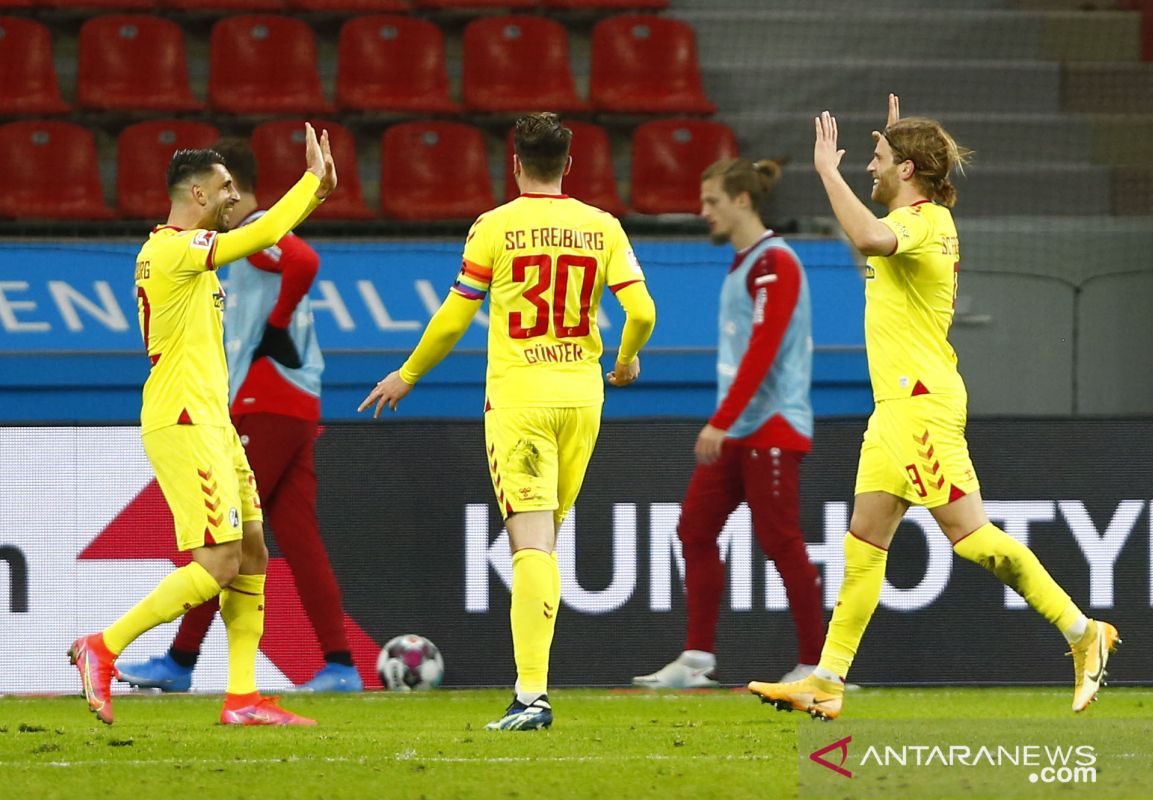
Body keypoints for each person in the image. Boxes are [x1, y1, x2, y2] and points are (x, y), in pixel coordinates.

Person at [748, 95, 1119, 720]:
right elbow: (869, 240)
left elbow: (867, 234)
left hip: (918, 403)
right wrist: (895, 138)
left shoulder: (920, 223)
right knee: (865, 541)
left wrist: (826, 171)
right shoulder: (921, 222)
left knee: (970, 536)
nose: (869, 166)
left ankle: (1083, 632)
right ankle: (827, 680)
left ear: (909, 171)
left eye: (879, 157)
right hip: (896, 406)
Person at [359, 112, 656, 731]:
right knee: (544, 546)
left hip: (520, 400)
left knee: (531, 547)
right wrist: (625, 360)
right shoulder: (601, 226)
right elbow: (643, 311)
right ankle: (533, 692)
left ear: (515, 163)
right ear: (568, 165)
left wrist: (408, 374)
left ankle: (530, 697)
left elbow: (453, 316)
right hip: (582, 400)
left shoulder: (494, 227)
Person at [68, 123, 337, 726]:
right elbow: (267, 231)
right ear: (196, 195)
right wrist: (311, 183)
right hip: (183, 421)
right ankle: (103, 648)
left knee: (252, 552)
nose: (234, 201)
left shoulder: (191, 259)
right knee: (216, 563)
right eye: (225, 191)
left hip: (212, 421)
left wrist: (315, 196)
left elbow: (270, 235)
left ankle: (242, 697)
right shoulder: (170, 250)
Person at [632, 158, 825, 690]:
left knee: (781, 540)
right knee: (694, 529)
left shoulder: (774, 263)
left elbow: (763, 351)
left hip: (771, 427)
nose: (703, 212)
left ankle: (817, 666)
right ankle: (696, 661)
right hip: (742, 430)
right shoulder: (746, 264)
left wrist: (720, 420)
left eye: (712, 201)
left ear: (742, 200)